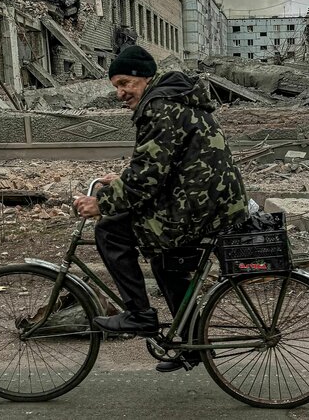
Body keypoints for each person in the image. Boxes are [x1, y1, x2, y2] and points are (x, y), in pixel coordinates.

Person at [73, 45, 247, 372]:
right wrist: (123, 178)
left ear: (145, 78)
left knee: (111, 231)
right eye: (116, 87)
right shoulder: (174, 100)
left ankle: (139, 315)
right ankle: (192, 344)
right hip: (212, 201)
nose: (120, 93)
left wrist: (102, 203)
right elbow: (163, 162)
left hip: (198, 206)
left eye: (125, 83)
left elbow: (148, 175)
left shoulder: (160, 107)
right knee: (165, 259)